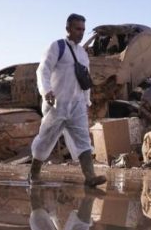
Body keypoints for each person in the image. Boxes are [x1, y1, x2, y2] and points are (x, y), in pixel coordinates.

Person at [28, 13, 106, 187]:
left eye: (83, 30)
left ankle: (90, 177)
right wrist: (46, 91)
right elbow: (43, 71)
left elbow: (85, 80)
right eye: (78, 29)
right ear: (68, 28)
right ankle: (34, 173)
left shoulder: (83, 54)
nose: (81, 33)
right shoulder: (57, 47)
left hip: (77, 105)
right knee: (46, 139)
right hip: (57, 104)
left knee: (83, 140)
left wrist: (86, 102)